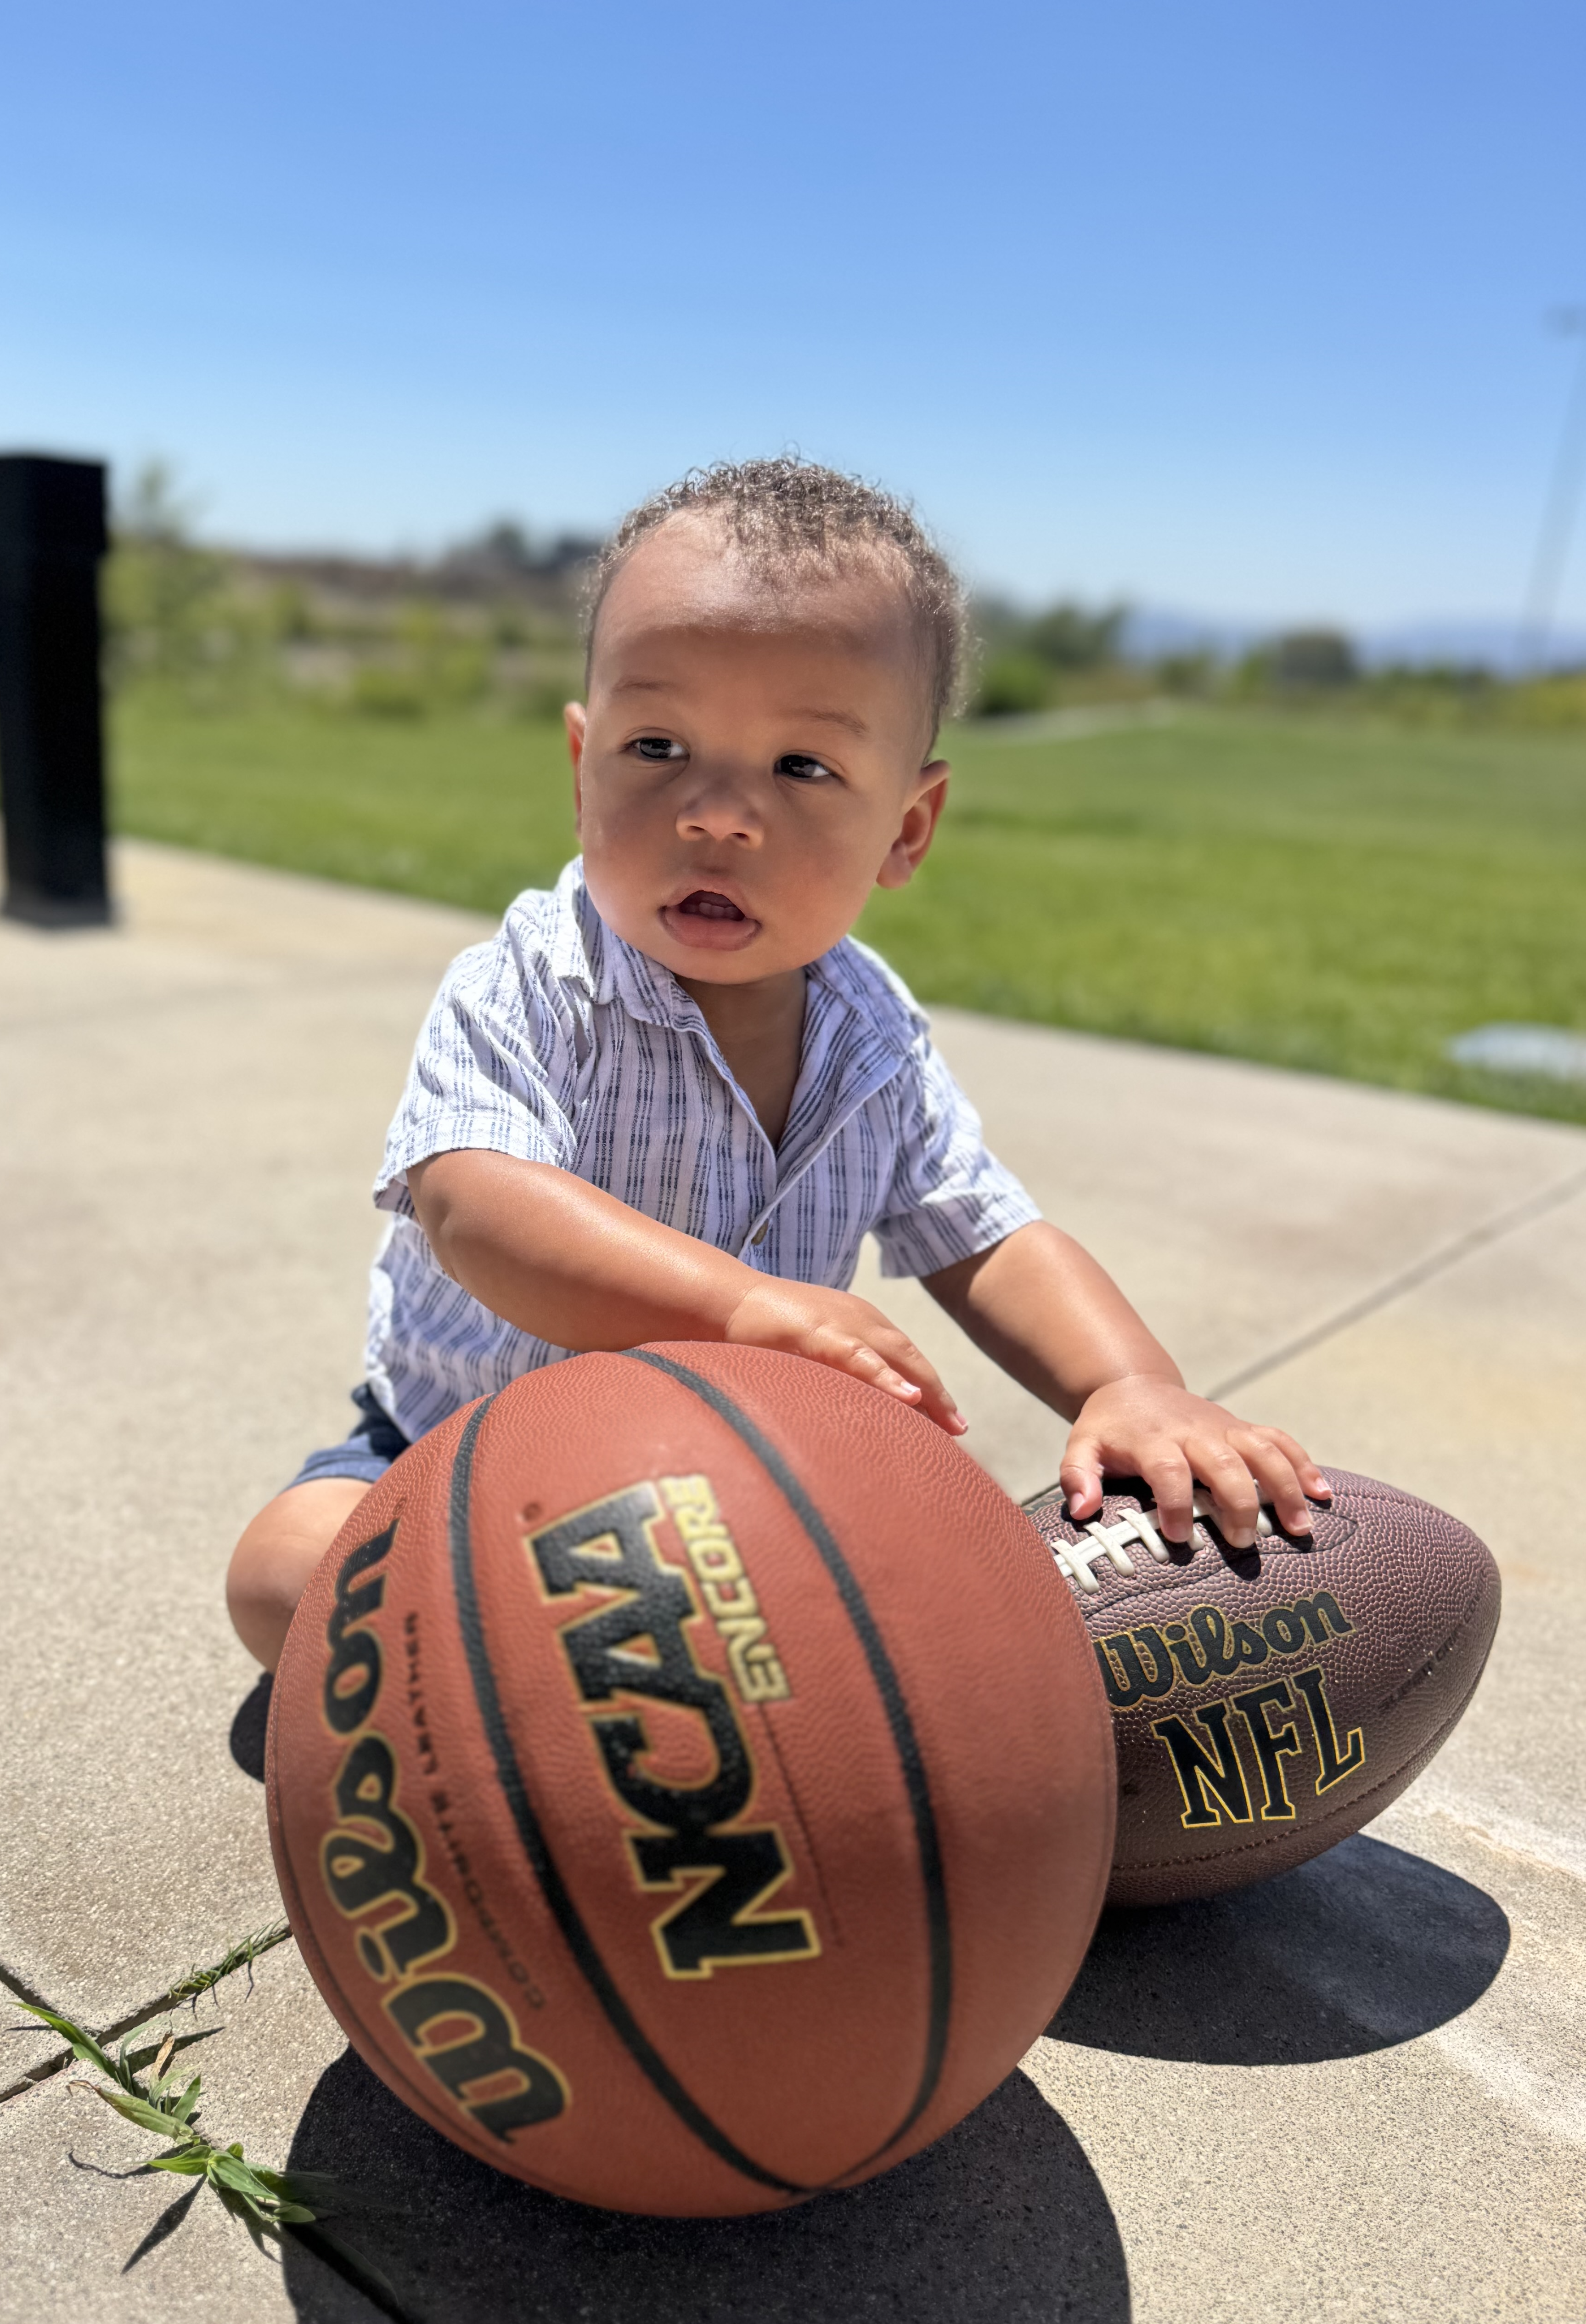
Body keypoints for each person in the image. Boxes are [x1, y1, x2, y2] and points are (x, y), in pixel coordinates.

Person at [227, 459, 1326, 1672]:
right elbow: (473, 1205)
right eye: (657, 745)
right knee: (288, 1575)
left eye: (802, 768)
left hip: (748, 1485)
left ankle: (646, 1665)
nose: (717, 813)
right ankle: (543, 1668)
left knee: (959, 1634)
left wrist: (1128, 1386)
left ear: (905, 829)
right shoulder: (536, 980)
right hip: (463, 1457)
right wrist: (744, 1308)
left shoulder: (871, 1037)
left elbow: (988, 1235)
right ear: (580, 767)